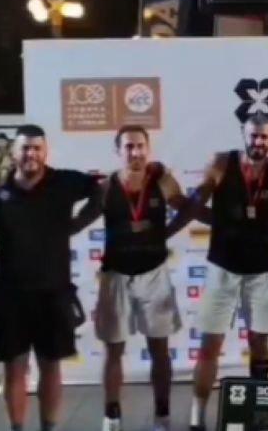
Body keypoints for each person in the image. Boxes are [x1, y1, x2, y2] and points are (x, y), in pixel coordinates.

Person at [0, 124, 104, 431]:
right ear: (14, 152)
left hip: (54, 291)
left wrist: (78, 223)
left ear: (45, 151)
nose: (31, 154)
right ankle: (16, 428)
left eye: (37, 148)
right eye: (25, 148)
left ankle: (49, 428)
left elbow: (102, 189)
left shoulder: (65, 181)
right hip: (9, 294)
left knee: (51, 365)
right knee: (14, 367)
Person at [186, 113, 268, 431]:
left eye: (264, 137)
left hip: (261, 269)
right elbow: (196, 200)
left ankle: (258, 413)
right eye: (254, 136)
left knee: (259, 342)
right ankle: (197, 416)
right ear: (244, 134)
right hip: (223, 266)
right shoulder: (221, 163)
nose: (259, 142)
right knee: (210, 344)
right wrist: (216, 220)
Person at [92, 125, 192, 431]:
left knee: (159, 349)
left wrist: (166, 233)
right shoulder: (106, 186)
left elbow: (187, 209)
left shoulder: (162, 180)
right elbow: (83, 218)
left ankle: (162, 415)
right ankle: (111, 416)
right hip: (115, 275)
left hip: (153, 272)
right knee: (113, 349)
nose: (135, 152)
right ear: (118, 151)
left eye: (140, 146)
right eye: (128, 147)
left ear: (147, 149)